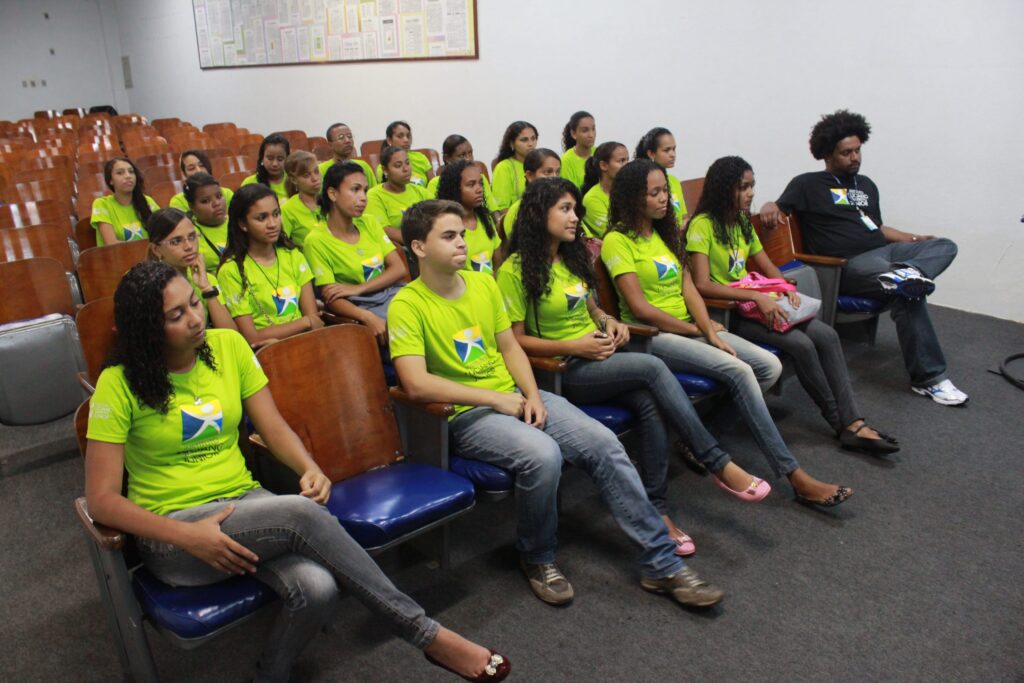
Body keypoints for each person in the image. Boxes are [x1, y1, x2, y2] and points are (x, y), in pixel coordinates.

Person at [84, 260, 510, 683]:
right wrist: (187, 535)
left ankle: (269, 676)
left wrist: (309, 467)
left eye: (195, 303)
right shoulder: (118, 385)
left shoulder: (228, 347)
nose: (196, 319)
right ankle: (425, 633)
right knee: (299, 514)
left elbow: (272, 427)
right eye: (176, 315)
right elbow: (101, 501)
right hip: (175, 533)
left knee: (317, 588)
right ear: (146, 329)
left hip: (244, 505)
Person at [388, 199, 724, 608]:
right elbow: (416, 383)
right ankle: (537, 556)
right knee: (544, 455)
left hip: (514, 396)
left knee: (604, 443)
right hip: (466, 413)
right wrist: (496, 398)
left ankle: (662, 564)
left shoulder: (482, 284)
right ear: (419, 247)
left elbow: (509, 347)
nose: (462, 242)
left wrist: (531, 395)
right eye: (448, 236)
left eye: (461, 233)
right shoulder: (407, 304)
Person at [498, 178, 773, 555]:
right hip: (562, 370)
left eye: (576, 209)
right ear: (536, 214)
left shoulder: (571, 257)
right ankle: (716, 461)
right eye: (565, 209)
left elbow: (590, 306)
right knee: (653, 368)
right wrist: (573, 346)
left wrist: (608, 321)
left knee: (649, 402)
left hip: (599, 357)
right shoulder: (515, 271)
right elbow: (515, 341)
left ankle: (658, 510)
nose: (575, 217)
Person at [602, 160, 852, 507]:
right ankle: (794, 474)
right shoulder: (617, 241)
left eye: (664, 191)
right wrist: (695, 329)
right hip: (653, 336)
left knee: (768, 367)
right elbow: (640, 308)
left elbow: (690, 290)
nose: (663, 199)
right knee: (740, 371)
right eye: (654, 193)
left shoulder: (664, 233)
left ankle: (701, 435)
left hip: (690, 327)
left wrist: (708, 330)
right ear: (632, 197)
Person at [688, 156, 899, 454]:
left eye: (752, 186)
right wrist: (757, 297)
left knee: (827, 335)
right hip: (730, 312)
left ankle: (853, 420)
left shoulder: (742, 223)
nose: (750, 193)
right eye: (743, 187)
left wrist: (784, 288)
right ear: (724, 190)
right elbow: (702, 284)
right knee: (802, 344)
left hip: (759, 306)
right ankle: (841, 424)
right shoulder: (702, 226)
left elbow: (766, 265)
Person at [760, 110, 967, 406]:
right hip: (847, 266)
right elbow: (780, 208)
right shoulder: (807, 184)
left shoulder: (866, 185)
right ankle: (930, 379)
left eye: (857, 150)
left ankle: (908, 273)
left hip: (885, 254)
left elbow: (877, 228)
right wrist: (769, 203)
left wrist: (914, 239)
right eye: (847, 153)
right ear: (827, 154)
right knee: (908, 294)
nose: (855, 157)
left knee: (944, 245)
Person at [304, 162, 405, 346]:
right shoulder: (316, 240)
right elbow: (331, 298)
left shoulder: (369, 222)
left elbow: (398, 268)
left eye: (365, 190)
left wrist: (358, 288)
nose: (363, 198)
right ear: (333, 194)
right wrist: (366, 316)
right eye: (355, 190)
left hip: (391, 292)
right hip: (360, 306)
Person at [217, 184, 324, 345]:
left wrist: (308, 321)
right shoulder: (231, 270)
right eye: (262, 218)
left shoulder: (293, 256)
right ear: (242, 223)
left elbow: (313, 318)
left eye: (276, 214)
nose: (273, 224)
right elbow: (251, 337)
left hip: (305, 342)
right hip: (266, 351)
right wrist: (305, 322)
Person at [146, 207, 235, 331]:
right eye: (176, 241)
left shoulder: (205, 278)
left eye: (192, 237)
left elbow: (230, 333)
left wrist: (206, 289)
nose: (188, 246)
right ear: (156, 249)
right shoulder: (146, 285)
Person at [435, 160, 503, 274]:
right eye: (471, 185)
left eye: (480, 183)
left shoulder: (485, 218)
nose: (479, 189)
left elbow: (498, 263)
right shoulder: (445, 226)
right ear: (455, 189)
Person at [365, 146, 431, 245]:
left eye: (407, 163)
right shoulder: (374, 195)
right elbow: (384, 230)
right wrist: (420, 243)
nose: (406, 169)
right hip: (402, 247)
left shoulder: (419, 190)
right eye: (398, 165)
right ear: (385, 170)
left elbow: (438, 215)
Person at [426, 134, 500, 218]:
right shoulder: (435, 183)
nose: (468, 159)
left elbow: (493, 210)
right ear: (447, 159)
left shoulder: (479, 177)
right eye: (462, 155)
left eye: (470, 153)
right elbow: (432, 216)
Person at [91, 157, 159, 245]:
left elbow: (163, 235)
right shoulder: (102, 204)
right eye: (120, 173)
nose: (128, 176)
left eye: (131, 172)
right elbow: (111, 244)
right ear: (111, 180)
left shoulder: (147, 201)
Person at [501, 148, 561, 239]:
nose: (555, 177)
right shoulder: (518, 210)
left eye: (557, 172)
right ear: (530, 176)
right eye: (548, 172)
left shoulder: (562, 204)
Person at [635, 127, 688, 225]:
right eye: (667, 150)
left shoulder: (674, 180)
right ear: (651, 154)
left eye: (674, 149)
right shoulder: (643, 182)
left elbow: (683, 217)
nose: (673, 154)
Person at [580, 141, 629, 239]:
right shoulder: (592, 199)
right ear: (603, 165)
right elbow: (614, 233)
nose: (627, 165)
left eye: (628, 160)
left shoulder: (630, 190)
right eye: (621, 161)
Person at [182, 173, 230, 272]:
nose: (216, 203)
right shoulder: (188, 234)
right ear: (192, 206)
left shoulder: (240, 222)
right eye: (205, 201)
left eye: (219, 196)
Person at [280, 150, 326, 247]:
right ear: (293, 179)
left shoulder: (331, 201)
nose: (315, 178)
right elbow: (282, 244)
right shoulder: (287, 210)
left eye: (316, 171)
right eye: (306, 175)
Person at [490, 121, 538, 210]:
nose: (531, 144)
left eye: (533, 138)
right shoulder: (504, 167)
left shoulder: (540, 163)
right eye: (524, 140)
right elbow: (501, 209)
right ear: (512, 143)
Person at [169, 149, 234, 212]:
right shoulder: (178, 201)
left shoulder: (227, 193)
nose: (198, 170)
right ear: (184, 174)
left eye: (202, 165)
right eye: (191, 168)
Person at [317, 122, 376, 188]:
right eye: (341, 137)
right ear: (330, 145)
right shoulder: (321, 170)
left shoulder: (363, 166)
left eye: (350, 136)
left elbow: (373, 191)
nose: (347, 140)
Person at [374, 121, 431, 186]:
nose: (406, 140)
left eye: (408, 136)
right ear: (389, 140)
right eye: (400, 136)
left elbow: (433, 184)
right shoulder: (384, 168)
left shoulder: (420, 157)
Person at [241, 134, 290, 201]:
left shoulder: (294, 181)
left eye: (280, 159)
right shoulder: (250, 183)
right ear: (262, 158)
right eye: (270, 158)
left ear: (287, 159)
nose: (275, 164)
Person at [559, 111, 596, 189]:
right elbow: (569, 192)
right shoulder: (566, 161)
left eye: (593, 129)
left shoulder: (599, 153)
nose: (591, 135)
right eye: (585, 130)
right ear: (574, 134)